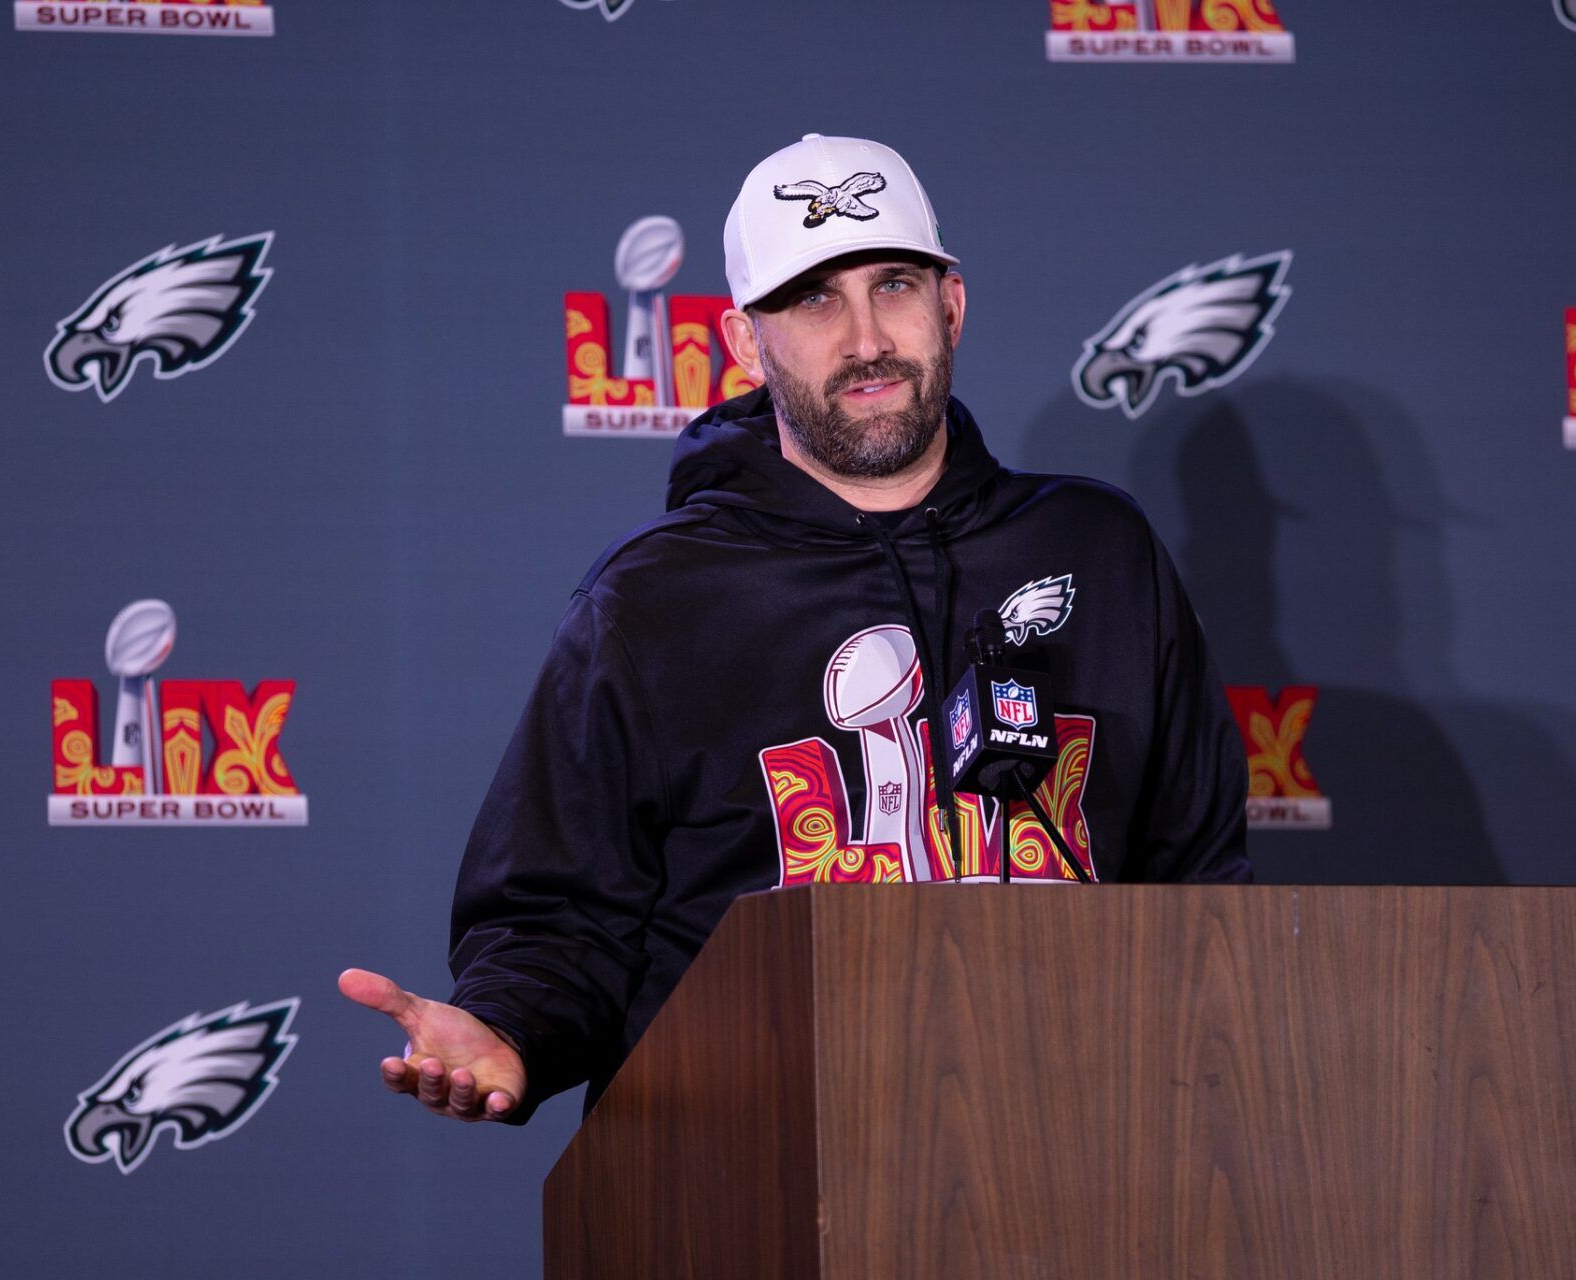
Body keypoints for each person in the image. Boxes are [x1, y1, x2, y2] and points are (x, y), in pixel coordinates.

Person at [339, 133, 1252, 1125]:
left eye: (893, 284)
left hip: (1074, 1146)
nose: (865, 338)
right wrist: (511, 1028)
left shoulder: (1098, 548)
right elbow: (559, 916)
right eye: (814, 299)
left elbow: (1197, 879)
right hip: (757, 1161)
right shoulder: (654, 597)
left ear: (951, 304)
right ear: (742, 343)